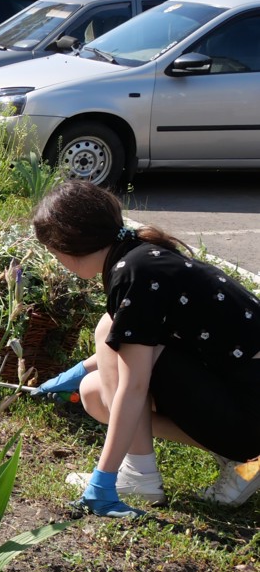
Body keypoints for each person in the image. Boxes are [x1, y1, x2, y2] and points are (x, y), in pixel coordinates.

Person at [32, 180, 260, 518]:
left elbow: (134, 383)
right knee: (94, 393)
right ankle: (247, 462)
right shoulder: (141, 255)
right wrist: (80, 370)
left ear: (68, 246)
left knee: (109, 331)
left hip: (250, 411)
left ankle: (139, 476)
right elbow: (153, 336)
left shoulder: (135, 274)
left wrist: (101, 479)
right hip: (242, 397)